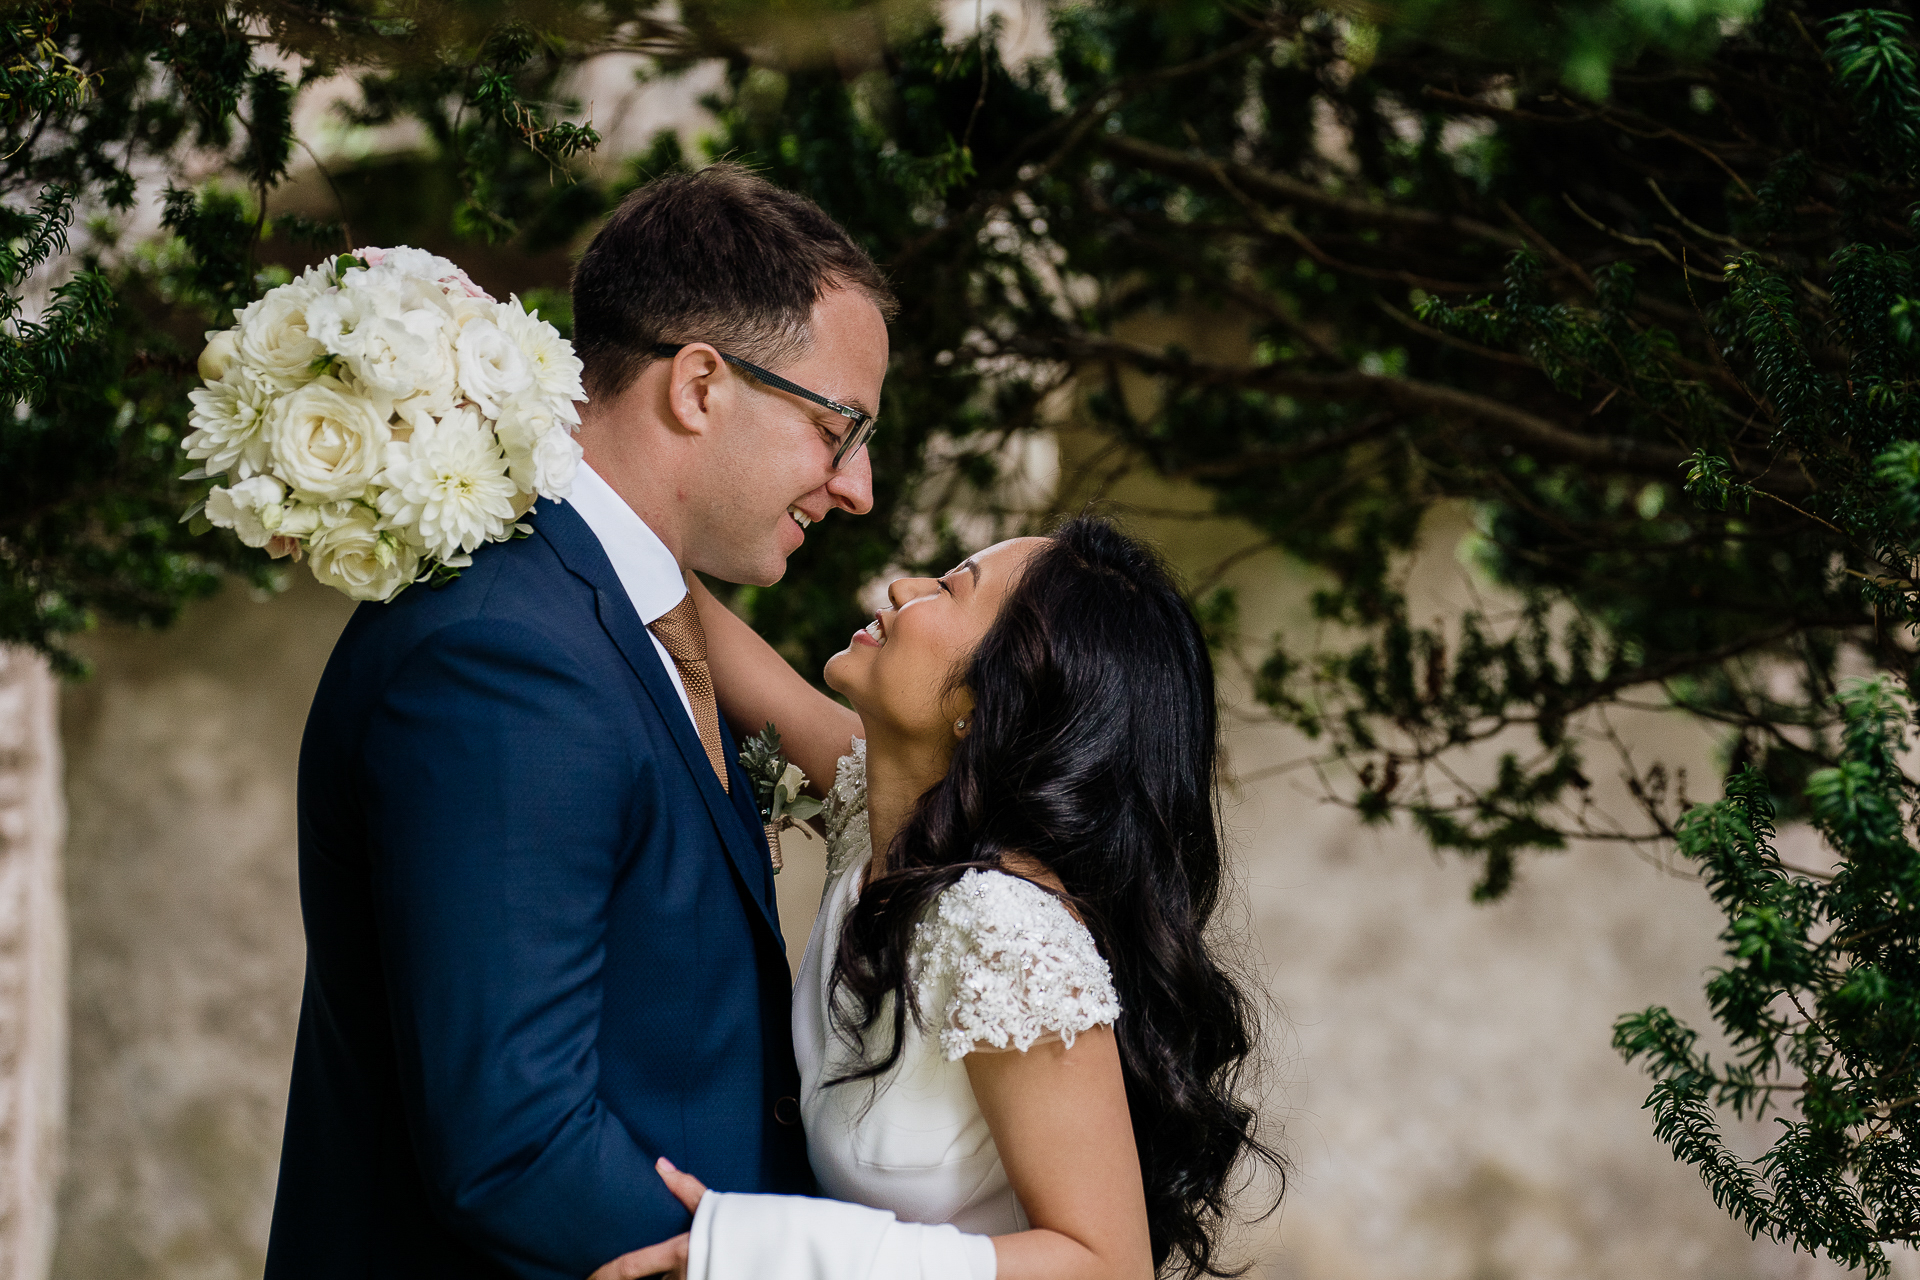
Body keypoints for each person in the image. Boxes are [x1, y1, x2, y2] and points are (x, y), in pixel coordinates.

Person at [264, 164, 895, 1278]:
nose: (859, 487)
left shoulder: (615, 604)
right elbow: (518, 1146)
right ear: (699, 385)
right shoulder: (505, 653)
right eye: (839, 428)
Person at [596, 517, 1283, 1280]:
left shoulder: (1006, 932)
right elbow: (690, 625)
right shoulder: (887, 828)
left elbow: (1107, 1265)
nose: (902, 586)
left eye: (951, 586)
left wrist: (773, 1253)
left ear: (989, 699)